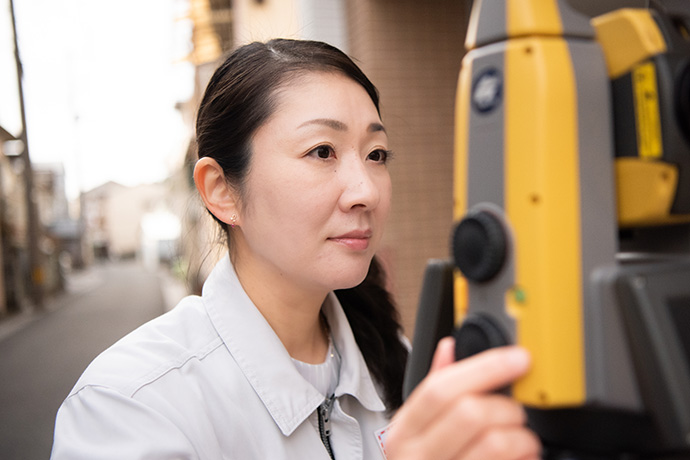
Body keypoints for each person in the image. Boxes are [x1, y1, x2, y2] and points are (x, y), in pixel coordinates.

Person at [51, 39, 540, 460]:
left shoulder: (402, 364)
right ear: (221, 190)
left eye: (377, 155)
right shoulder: (131, 404)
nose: (365, 191)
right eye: (322, 151)